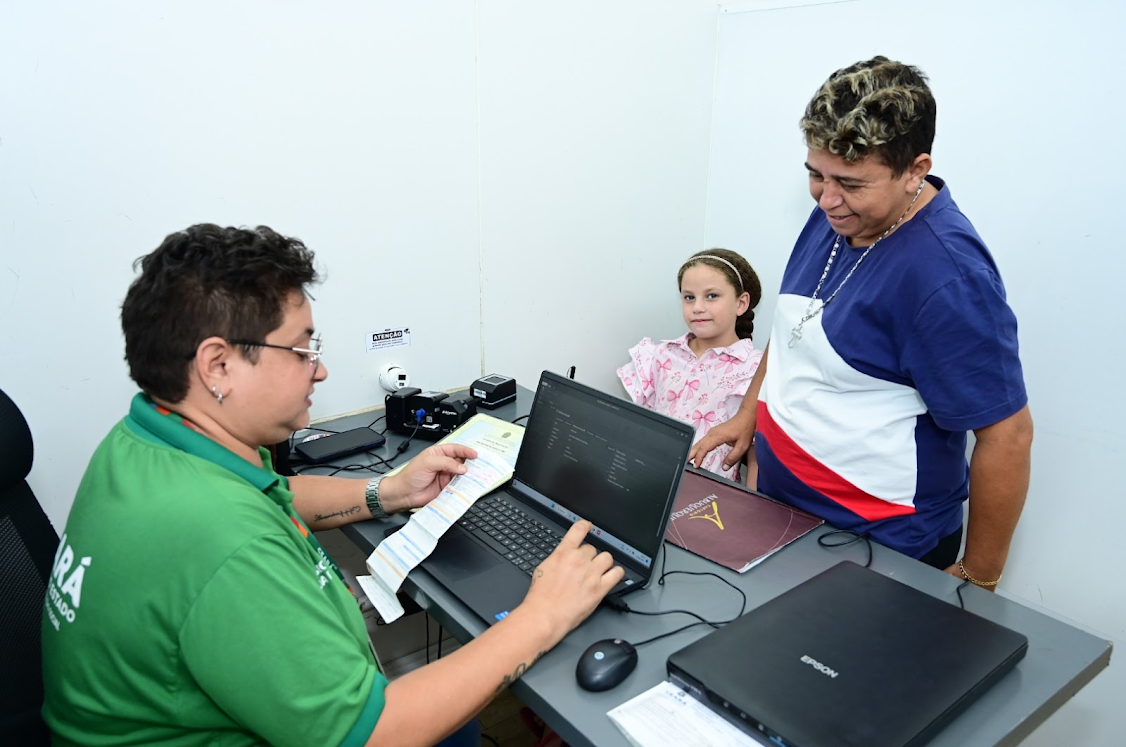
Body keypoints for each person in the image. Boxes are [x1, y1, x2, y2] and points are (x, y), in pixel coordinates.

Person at [40, 224, 624, 747]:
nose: (319, 369)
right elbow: (371, 735)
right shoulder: (219, 539)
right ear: (218, 366)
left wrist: (387, 491)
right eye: (301, 349)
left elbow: (276, 497)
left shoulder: (145, 442)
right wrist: (541, 616)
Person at [690, 57, 1033, 589]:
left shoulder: (948, 277)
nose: (826, 198)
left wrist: (978, 577)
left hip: (880, 540)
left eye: (849, 182)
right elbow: (794, 329)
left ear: (915, 169)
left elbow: (1007, 435)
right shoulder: (843, 209)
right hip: (786, 511)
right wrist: (749, 412)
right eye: (814, 174)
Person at [618, 248, 763, 480]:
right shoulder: (662, 354)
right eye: (689, 297)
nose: (697, 307)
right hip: (650, 481)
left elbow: (757, 455)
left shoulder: (754, 369)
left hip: (709, 500)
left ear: (741, 303)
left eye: (712, 296)